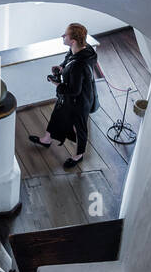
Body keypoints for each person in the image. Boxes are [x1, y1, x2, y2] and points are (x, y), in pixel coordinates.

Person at [29, 23, 99, 168]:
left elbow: (74, 90)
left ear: (73, 40)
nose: (62, 36)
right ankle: (46, 139)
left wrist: (56, 84)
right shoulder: (83, 49)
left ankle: (78, 155)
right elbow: (69, 58)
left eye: (65, 35)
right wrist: (61, 68)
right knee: (57, 114)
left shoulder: (79, 65)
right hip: (70, 98)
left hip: (79, 102)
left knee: (79, 128)